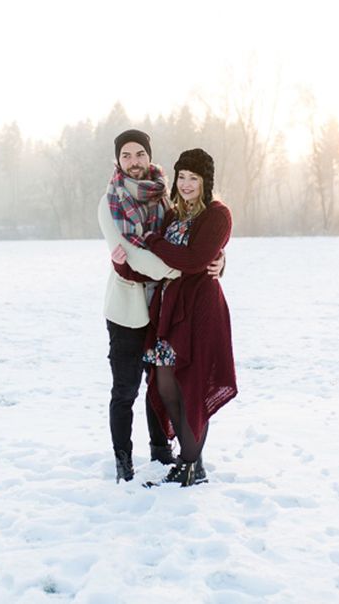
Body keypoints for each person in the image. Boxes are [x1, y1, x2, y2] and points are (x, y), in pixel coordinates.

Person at [97, 129, 224, 483]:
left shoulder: (163, 196)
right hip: (127, 308)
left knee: (160, 382)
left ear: (149, 157)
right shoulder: (110, 203)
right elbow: (136, 256)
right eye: (126, 155)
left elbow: (190, 233)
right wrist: (185, 266)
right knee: (125, 389)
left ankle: (161, 450)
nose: (134, 162)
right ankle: (123, 458)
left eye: (140, 154)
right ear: (118, 161)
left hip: (165, 309)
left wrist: (216, 258)